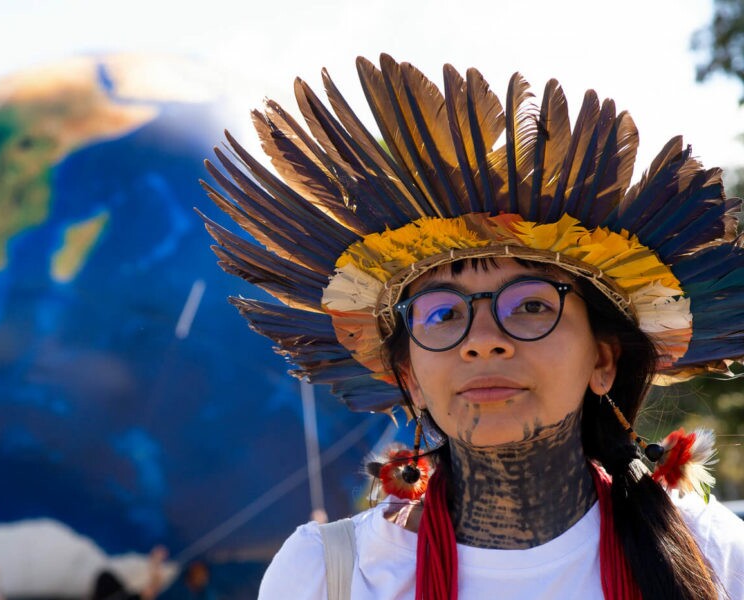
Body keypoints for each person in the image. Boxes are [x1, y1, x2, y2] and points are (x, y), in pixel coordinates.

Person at [197, 54, 744, 598]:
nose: (483, 342)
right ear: (409, 376)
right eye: (442, 314)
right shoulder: (329, 575)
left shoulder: (713, 554)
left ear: (603, 361)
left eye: (531, 306)